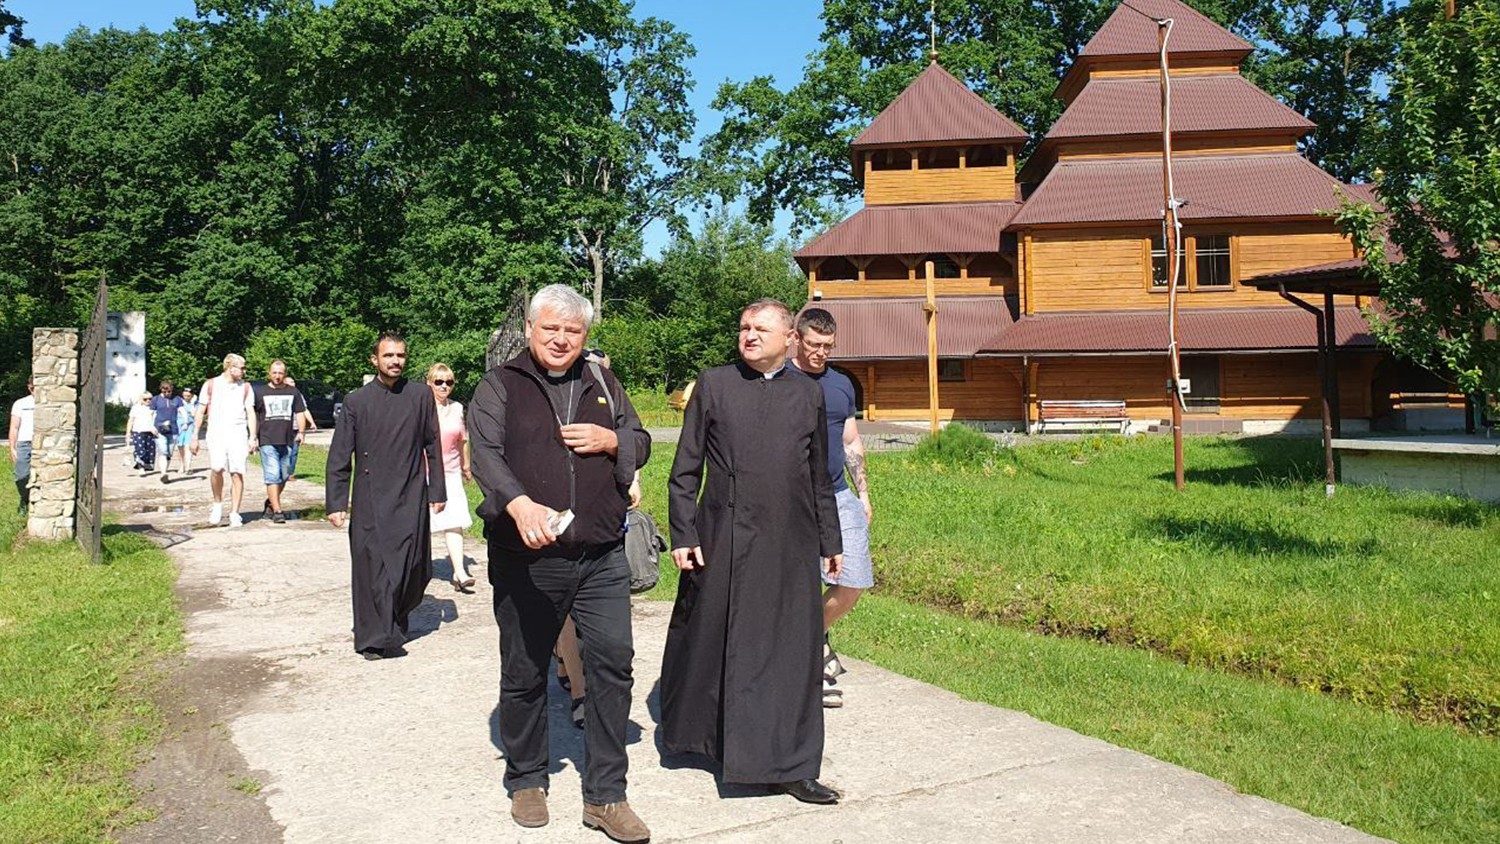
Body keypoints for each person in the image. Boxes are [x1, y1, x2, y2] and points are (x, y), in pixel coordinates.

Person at [469, 284, 651, 841]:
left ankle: (605, 796)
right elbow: (485, 456)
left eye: (573, 331)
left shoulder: (602, 381)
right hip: (527, 557)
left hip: (600, 553)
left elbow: (641, 441)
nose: (561, 340)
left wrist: (612, 440)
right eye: (551, 329)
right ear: (530, 330)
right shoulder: (500, 386)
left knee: (613, 663)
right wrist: (519, 503)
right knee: (524, 668)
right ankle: (527, 778)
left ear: (585, 336)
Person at [661, 298, 844, 805]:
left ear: (790, 338)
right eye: (743, 326)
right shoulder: (715, 384)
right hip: (722, 535)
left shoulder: (809, 395)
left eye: (761, 328)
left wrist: (831, 541)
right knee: (711, 639)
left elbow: (819, 476)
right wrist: (683, 534)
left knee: (789, 652)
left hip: (790, 539)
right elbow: (685, 469)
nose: (749, 335)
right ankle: (702, 741)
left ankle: (793, 765)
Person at [326, 332, 447, 660]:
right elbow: (340, 455)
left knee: (414, 566)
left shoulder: (420, 396)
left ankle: (395, 616)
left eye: (401, 356)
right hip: (370, 498)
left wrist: (437, 489)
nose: (395, 361)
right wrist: (336, 501)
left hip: (410, 494)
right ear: (374, 360)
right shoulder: (356, 402)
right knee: (373, 570)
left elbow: (432, 444)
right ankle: (375, 638)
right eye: (389, 355)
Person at [788, 308, 874, 709]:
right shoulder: (782, 380)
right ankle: (805, 666)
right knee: (799, 582)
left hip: (838, 495)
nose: (821, 352)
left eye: (828, 346)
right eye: (814, 344)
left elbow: (851, 440)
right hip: (793, 500)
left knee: (854, 578)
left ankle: (810, 638)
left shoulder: (841, 385)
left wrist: (864, 493)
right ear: (796, 339)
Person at [193, 353, 258, 528]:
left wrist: (253, 437)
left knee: (237, 472)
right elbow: (200, 411)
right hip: (216, 433)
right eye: (242, 367)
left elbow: (250, 413)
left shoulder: (245, 387)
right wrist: (194, 436)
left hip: (238, 433)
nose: (244, 371)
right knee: (217, 468)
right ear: (230, 367)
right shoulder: (211, 385)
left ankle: (235, 512)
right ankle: (217, 503)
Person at [425, 363, 474, 590]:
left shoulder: (457, 408)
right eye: (439, 382)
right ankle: (416, 570)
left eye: (449, 382)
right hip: (424, 472)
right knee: (420, 523)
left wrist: (466, 466)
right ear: (429, 383)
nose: (444, 386)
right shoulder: (422, 407)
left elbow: (462, 439)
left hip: (451, 472)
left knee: (454, 523)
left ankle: (460, 572)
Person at [254, 360, 306, 524]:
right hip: (267, 439)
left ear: (285, 374)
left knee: (284, 474)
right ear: (269, 373)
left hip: (287, 439)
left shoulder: (293, 392)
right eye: (274, 373)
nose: (277, 376)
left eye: (280, 373)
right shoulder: (260, 392)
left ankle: (271, 502)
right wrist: (253, 437)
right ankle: (277, 511)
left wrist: (302, 432)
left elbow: (300, 412)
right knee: (273, 474)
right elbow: (254, 416)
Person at [9, 376, 35, 513]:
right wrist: (12, 448)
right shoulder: (20, 404)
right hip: (24, 444)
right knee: (22, 476)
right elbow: (14, 427)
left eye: (36, 387)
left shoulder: (47, 404)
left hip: (43, 444)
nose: (33, 390)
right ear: (29, 387)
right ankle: (24, 498)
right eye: (31, 387)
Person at [149, 380, 184, 481]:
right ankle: (163, 473)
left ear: (171, 390)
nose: (167, 394)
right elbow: (150, 414)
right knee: (163, 451)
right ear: (161, 390)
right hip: (159, 429)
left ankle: (165, 471)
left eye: (169, 391)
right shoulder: (156, 399)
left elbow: (182, 411)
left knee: (169, 453)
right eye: (165, 392)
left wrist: (185, 422)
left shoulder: (177, 399)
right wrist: (151, 427)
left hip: (173, 430)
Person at [126, 392, 158, 477]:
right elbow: (131, 420)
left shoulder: (153, 408)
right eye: (145, 399)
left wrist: (156, 429)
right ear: (141, 399)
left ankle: (146, 465)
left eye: (150, 399)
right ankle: (140, 467)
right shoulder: (136, 408)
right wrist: (128, 432)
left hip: (150, 432)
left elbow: (156, 420)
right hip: (138, 431)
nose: (148, 401)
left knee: (150, 451)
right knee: (140, 450)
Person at [174, 387, 198, 474]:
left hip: (190, 426)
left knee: (188, 446)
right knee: (180, 447)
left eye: (188, 396)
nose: (186, 397)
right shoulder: (178, 402)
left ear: (191, 395)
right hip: (179, 426)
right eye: (184, 395)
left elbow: (197, 415)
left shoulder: (195, 403)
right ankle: (181, 465)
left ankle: (188, 467)